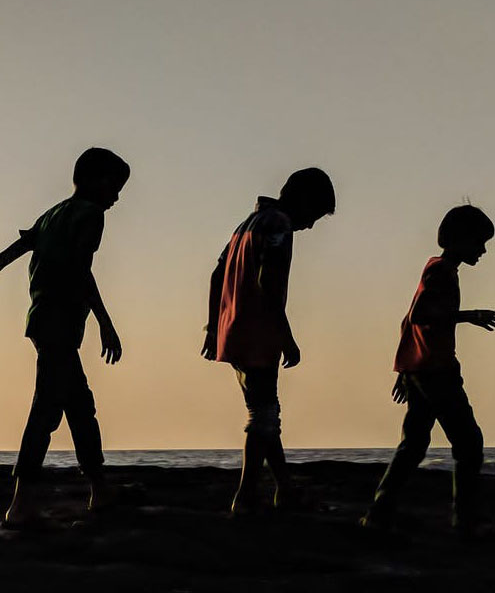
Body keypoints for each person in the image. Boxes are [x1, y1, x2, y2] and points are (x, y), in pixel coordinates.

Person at [0, 147, 130, 528]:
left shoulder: (52, 215)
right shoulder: (89, 215)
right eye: (114, 185)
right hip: (59, 322)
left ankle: (99, 488)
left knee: (79, 406)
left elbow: (9, 253)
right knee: (47, 409)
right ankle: (21, 501)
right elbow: (81, 270)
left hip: (42, 320)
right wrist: (105, 323)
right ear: (92, 179)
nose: (117, 196)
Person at [201, 168, 336, 515]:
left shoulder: (247, 224)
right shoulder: (278, 225)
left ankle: (285, 489)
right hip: (257, 331)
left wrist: (213, 326)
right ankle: (245, 496)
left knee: (266, 412)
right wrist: (286, 335)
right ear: (304, 201)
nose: (311, 225)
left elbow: (218, 275)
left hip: (233, 329)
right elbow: (269, 283)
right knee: (262, 415)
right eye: (315, 215)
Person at [362, 205, 495, 535]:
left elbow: (407, 321)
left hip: (421, 369)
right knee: (469, 444)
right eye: (479, 242)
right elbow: (421, 316)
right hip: (436, 371)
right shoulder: (442, 272)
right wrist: (469, 315)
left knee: (414, 444)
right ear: (461, 239)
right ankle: (465, 520)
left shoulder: (436, 269)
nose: (483, 250)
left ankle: (379, 512)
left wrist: (404, 369)